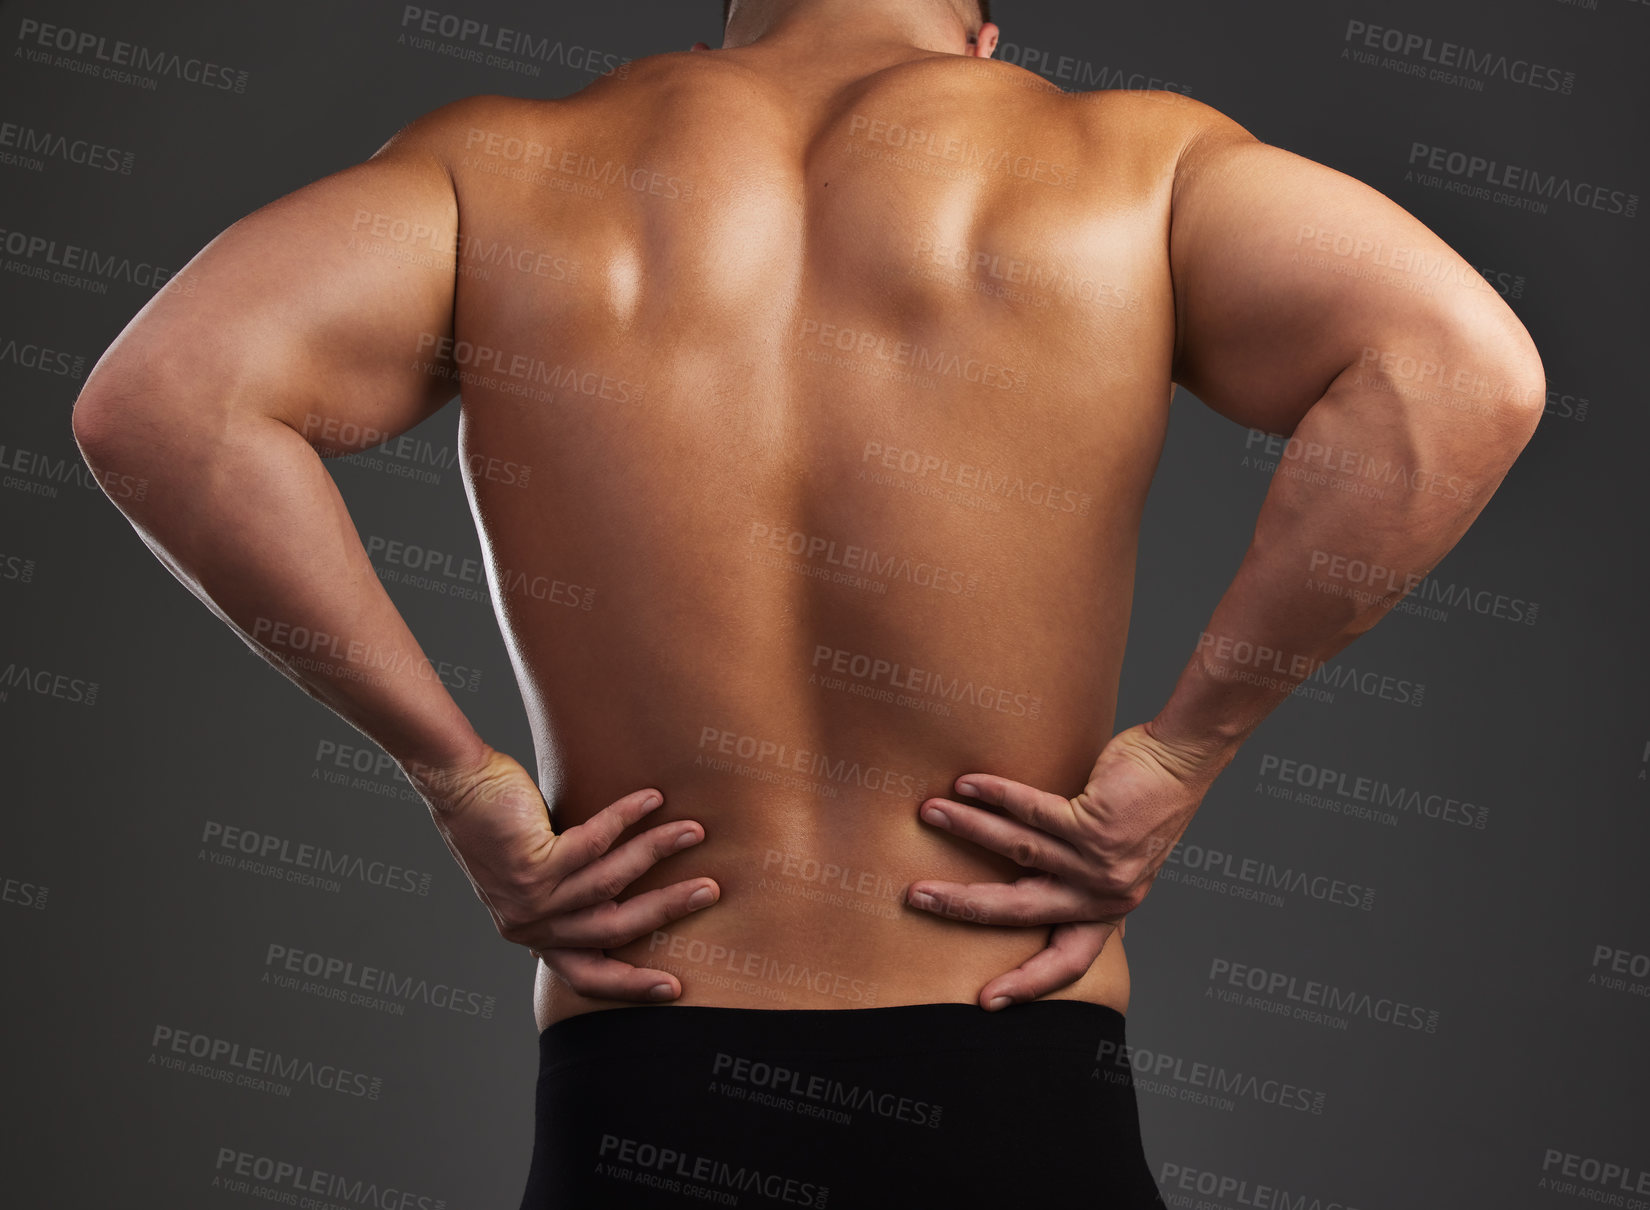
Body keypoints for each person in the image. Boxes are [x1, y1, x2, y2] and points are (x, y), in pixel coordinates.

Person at [71, 0, 1545, 1203]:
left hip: (646, 1072)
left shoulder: (504, 168)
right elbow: (1465, 372)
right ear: (980, 26)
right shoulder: (1129, 160)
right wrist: (1186, 746)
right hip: (1007, 1061)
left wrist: (455, 777)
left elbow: (162, 406)